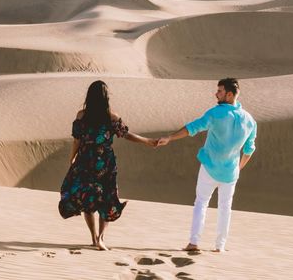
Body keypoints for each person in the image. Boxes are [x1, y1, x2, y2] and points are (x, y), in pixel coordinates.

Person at [157, 78, 257, 252]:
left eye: (219, 91)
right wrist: (239, 167)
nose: (216, 94)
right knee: (225, 208)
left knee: (201, 202)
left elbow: (193, 128)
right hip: (230, 172)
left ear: (230, 94)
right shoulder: (249, 120)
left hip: (210, 168)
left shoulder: (215, 113)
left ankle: (194, 243)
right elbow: (249, 149)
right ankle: (220, 246)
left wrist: (170, 137)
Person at [59, 80, 157, 250]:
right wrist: (147, 141)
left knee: (87, 198)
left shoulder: (81, 115)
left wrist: (72, 157)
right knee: (107, 198)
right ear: (106, 97)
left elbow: (77, 139)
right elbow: (126, 135)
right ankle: (101, 238)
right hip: (105, 162)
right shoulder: (112, 117)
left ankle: (94, 237)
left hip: (85, 160)